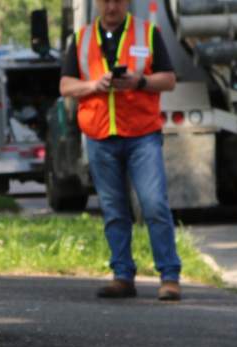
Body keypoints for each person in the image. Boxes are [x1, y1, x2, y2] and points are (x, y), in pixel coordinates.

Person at [59, 0, 181, 301]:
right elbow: (65, 86)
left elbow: (168, 79)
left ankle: (169, 276)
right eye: (105, 1)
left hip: (142, 135)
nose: (111, 6)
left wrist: (138, 82)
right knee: (114, 210)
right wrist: (93, 86)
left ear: (127, 2)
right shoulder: (81, 38)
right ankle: (122, 275)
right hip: (100, 135)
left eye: (117, 0)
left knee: (153, 204)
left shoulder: (148, 33)